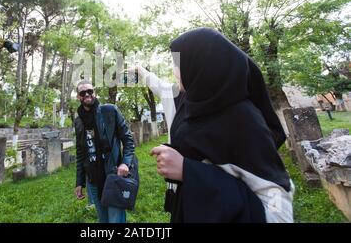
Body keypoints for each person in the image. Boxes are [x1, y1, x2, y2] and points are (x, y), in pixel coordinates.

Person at [149, 28, 294, 223]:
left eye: (177, 63)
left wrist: (188, 171)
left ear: (202, 64)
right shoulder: (194, 103)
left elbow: (278, 209)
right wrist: (141, 72)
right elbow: (162, 88)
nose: (174, 71)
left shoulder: (243, 119)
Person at [74, 80, 135, 223]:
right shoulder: (78, 121)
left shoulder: (109, 111)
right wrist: (79, 182)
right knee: (103, 220)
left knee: (115, 220)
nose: (87, 94)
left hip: (112, 175)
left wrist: (125, 163)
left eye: (90, 91)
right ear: (78, 97)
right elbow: (80, 153)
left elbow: (128, 140)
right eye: (83, 93)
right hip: (93, 180)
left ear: (94, 92)